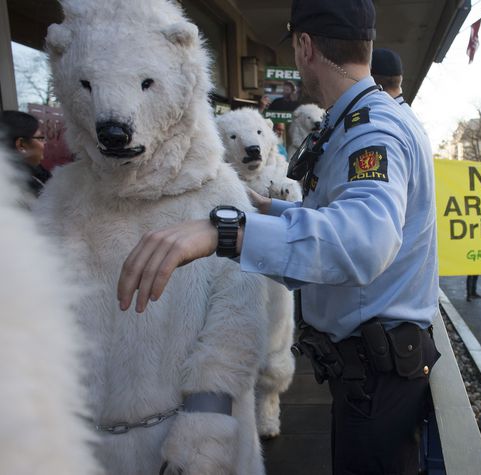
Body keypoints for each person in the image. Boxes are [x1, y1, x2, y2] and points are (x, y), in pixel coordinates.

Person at [117, 0, 440, 473]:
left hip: (377, 376)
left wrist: (224, 232)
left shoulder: (372, 130)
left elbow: (364, 240)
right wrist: (269, 210)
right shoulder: (364, 117)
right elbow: (342, 216)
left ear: (305, 45)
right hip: (371, 371)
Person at [0, 110, 51, 197]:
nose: (44, 143)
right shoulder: (19, 194)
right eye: (40, 138)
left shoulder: (35, 173)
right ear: (21, 145)